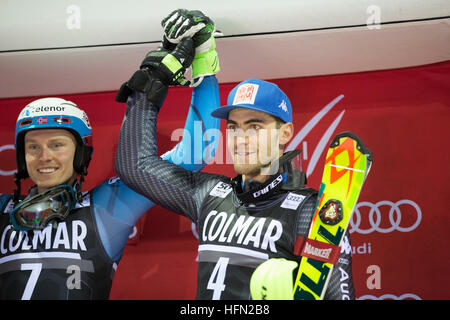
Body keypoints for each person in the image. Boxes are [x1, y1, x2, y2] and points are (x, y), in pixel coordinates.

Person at [115, 11, 355, 300]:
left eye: (254, 126)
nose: (240, 139)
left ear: (286, 133)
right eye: (234, 128)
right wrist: (152, 80)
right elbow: (134, 165)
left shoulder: (310, 211)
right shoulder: (209, 193)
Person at [0, 10, 220, 300]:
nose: (44, 156)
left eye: (57, 145)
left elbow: (197, 151)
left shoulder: (108, 207)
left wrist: (204, 52)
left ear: (81, 153)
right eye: (33, 147)